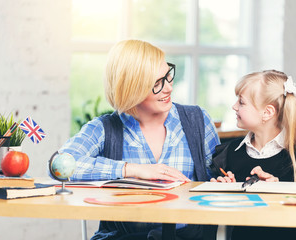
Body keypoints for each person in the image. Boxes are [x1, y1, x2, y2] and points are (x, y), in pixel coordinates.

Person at [58, 39, 220, 240]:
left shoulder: (198, 121)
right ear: (132, 89)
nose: (169, 88)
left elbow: (217, 178)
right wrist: (131, 169)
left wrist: (226, 180)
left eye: (167, 76)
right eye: (157, 84)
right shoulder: (104, 129)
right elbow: (60, 165)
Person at [210, 70, 296, 240]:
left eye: (241, 102)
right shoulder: (229, 153)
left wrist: (280, 192)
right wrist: (225, 192)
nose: (234, 106)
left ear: (267, 112)